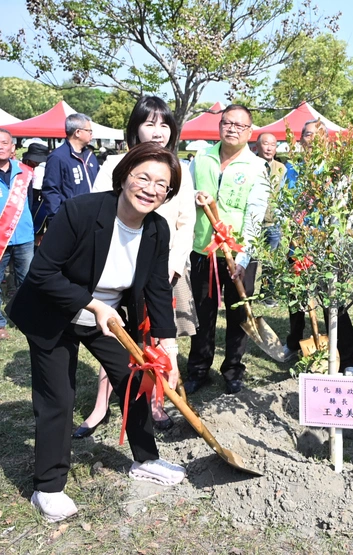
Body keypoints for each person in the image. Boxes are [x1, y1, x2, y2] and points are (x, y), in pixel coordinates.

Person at [7, 142, 187, 523]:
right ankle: (49, 487)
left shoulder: (156, 229)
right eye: (144, 177)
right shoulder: (82, 211)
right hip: (52, 309)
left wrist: (168, 347)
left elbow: (157, 287)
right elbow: (41, 273)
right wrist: (93, 304)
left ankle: (146, 459)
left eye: (162, 185)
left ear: (168, 193)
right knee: (59, 395)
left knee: (134, 377)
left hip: (105, 315)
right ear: (124, 177)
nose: (150, 189)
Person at [75, 95, 197, 435]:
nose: (157, 131)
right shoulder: (115, 162)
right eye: (149, 123)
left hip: (163, 272)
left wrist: (173, 264)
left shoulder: (180, 169)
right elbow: (96, 210)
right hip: (118, 271)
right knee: (115, 336)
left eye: (164, 124)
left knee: (156, 340)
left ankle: (155, 403)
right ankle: (101, 406)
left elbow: (187, 222)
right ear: (135, 127)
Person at [185, 104, 270, 395]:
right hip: (203, 250)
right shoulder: (201, 158)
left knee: (238, 313)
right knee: (202, 313)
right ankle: (198, 369)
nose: (231, 129)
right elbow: (184, 194)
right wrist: (193, 195)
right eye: (226, 123)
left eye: (239, 125)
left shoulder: (257, 167)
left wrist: (243, 258)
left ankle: (233, 369)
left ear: (250, 132)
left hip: (238, 253)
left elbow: (255, 214)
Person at [282, 120, 353, 375]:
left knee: (333, 304)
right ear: (301, 139)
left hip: (325, 246)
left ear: (325, 140)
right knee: (296, 300)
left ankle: (348, 359)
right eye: (307, 134)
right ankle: (294, 343)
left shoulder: (334, 169)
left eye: (317, 135)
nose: (312, 139)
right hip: (298, 243)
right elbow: (286, 202)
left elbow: (342, 209)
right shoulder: (292, 168)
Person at [0, 129, 36, 340]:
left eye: (5, 142)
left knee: (28, 281)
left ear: (13, 147)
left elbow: (31, 203)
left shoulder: (25, 173)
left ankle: (27, 319)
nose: (1, 146)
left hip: (24, 237)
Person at [41, 113, 99, 224]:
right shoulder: (58, 157)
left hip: (93, 216)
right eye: (89, 131)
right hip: (70, 218)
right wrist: (56, 218)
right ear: (77, 132)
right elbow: (51, 190)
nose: (92, 135)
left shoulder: (90, 156)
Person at [254, 132, 286, 308]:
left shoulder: (282, 168)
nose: (269, 148)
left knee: (271, 262)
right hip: (252, 222)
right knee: (250, 261)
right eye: (265, 144)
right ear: (257, 146)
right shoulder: (249, 165)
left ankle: (268, 295)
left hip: (273, 223)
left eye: (272, 144)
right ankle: (247, 293)